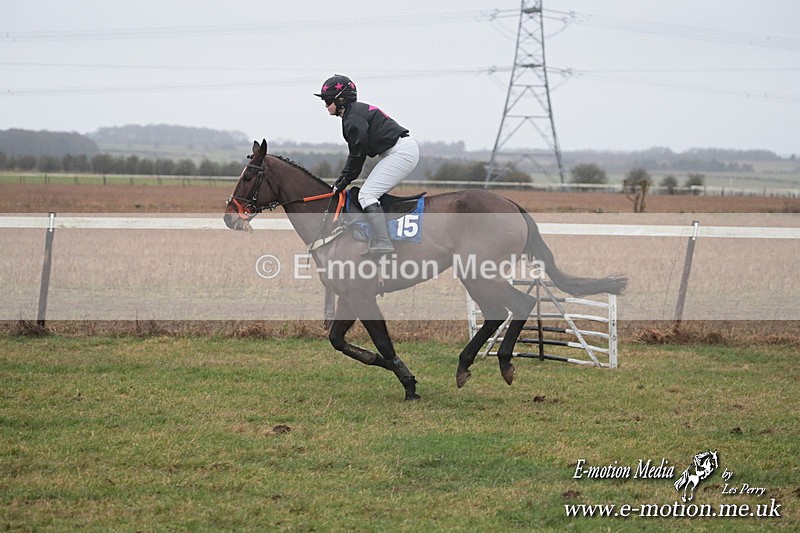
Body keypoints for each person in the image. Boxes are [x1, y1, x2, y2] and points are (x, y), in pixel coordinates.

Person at [314, 74, 419, 255]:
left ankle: (384, 242)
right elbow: (357, 157)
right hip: (397, 151)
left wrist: (340, 183)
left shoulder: (352, 119)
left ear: (342, 100)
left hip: (400, 153)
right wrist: (343, 181)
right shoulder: (353, 114)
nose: (325, 105)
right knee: (368, 193)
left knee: (367, 195)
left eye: (328, 100)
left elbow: (357, 157)